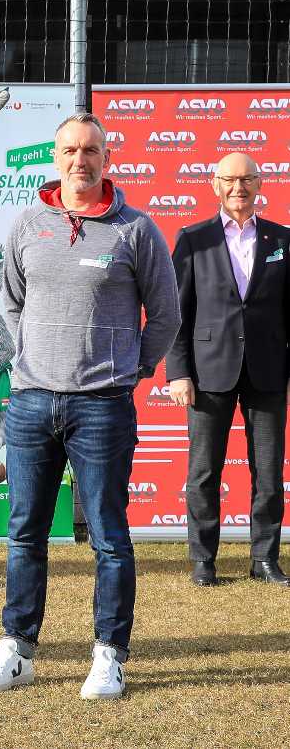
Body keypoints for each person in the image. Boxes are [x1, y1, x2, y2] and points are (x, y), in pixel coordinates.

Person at [0, 113, 180, 700]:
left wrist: (131, 370)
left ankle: (109, 655)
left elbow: (164, 316)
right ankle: (17, 649)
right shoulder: (28, 224)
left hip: (102, 408)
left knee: (109, 537)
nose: (79, 161)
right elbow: (10, 302)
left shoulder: (135, 230)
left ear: (107, 158)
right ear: (56, 157)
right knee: (24, 534)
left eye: (90, 151)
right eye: (69, 150)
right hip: (32, 403)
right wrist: (27, 359)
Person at [167, 152, 290, 587]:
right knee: (203, 472)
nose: (239, 188)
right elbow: (175, 313)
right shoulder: (192, 238)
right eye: (230, 180)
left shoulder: (282, 240)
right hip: (207, 373)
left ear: (260, 185)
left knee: (270, 472)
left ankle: (264, 559)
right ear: (215, 185)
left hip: (269, 372)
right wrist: (178, 372)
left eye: (247, 180)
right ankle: (203, 561)